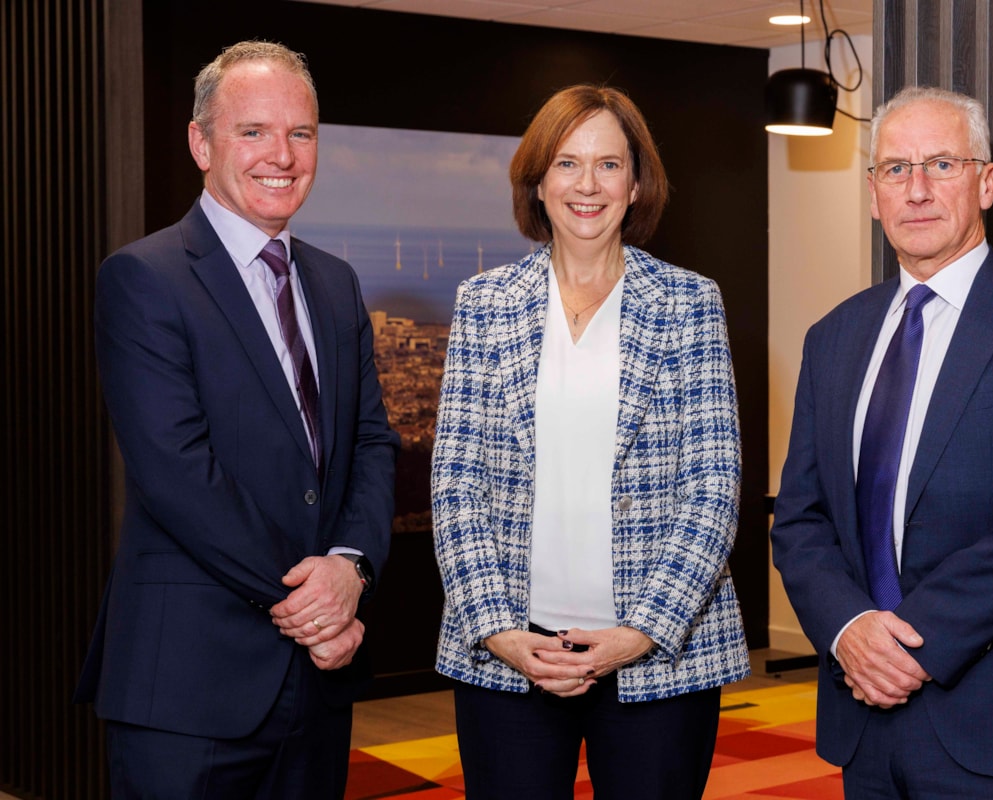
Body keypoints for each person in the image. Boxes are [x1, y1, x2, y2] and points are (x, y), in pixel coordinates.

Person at [771, 85, 993, 798]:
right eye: (896, 169)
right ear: (873, 194)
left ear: (986, 182)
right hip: (862, 715)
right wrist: (850, 631)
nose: (917, 189)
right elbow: (802, 520)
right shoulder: (833, 337)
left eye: (942, 164)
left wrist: (906, 645)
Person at [74, 41, 399, 798]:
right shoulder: (143, 278)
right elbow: (177, 471)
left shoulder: (336, 281)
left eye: (301, 133)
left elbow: (371, 443)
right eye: (252, 131)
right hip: (189, 687)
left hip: (316, 688)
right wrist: (318, 607)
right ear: (200, 142)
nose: (280, 155)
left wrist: (350, 568)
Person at [431, 84, 749, 800]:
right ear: (537, 181)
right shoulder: (484, 305)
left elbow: (712, 490)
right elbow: (456, 486)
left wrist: (638, 635)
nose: (587, 184)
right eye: (568, 163)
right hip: (510, 657)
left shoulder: (692, 304)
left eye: (609, 165)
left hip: (657, 660)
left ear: (637, 185)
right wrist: (499, 634)